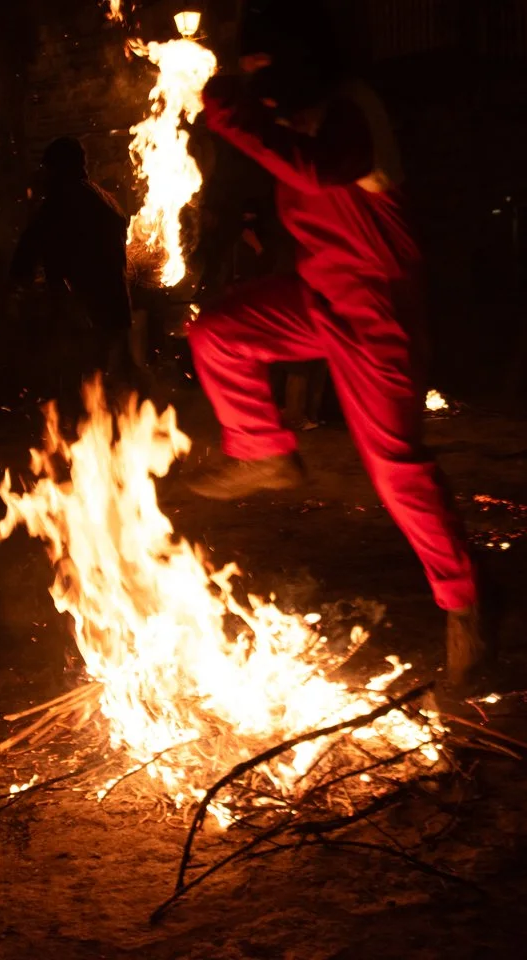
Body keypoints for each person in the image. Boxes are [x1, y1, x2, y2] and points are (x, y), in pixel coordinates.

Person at [185, 0, 485, 691]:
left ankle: (464, 605)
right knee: (219, 333)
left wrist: (231, 114)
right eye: (248, 65)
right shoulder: (298, 111)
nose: (256, 76)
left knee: (393, 468)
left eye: (265, 63)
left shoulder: (353, 109)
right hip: (320, 297)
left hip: (377, 309)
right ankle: (265, 453)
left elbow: (319, 172)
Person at [10, 136, 135, 399]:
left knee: (80, 388)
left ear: (58, 169)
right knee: (105, 388)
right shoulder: (106, 200)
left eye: (48, 169)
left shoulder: (63, 198)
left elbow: (31, 244)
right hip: (114, 311)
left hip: (82, 312)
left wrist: (18, 283)